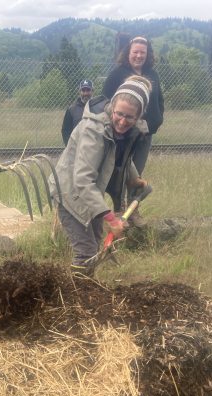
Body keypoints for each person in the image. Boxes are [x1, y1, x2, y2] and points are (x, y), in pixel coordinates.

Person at [48, 75, 152, 277]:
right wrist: (111, 218)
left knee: (95, 244)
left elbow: (120, 154)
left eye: (130, 117)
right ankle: (76, 298)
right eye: (119, 114)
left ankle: (86, 290)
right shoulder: (94, 130)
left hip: (90, 193)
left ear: (139, 116)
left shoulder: (125, 130)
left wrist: (133, 177)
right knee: (86, 252)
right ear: (112, 106)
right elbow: (82, 179)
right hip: (71, 192)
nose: (122, 121)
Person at [102, 36, 164, 178]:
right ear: (128, 53)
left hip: (145, 135)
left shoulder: (153, 75)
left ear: (147, 54)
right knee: (118, 175)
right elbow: (105, 103)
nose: (139, 56)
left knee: (136, 177)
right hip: (123, 135)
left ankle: (132, 200)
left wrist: (158, 119)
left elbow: (159, 100)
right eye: (135, 52)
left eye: (143, 52)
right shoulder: (116, 75)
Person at [61, 79, 94, 145]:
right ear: (79, 92)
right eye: (83, 90)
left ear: (92, 91)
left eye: (88, 90)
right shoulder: (71, 110)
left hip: (93, 147)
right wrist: (70, 146)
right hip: (76, 147)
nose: (85, 93)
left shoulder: (98, 107)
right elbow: (65, 131)